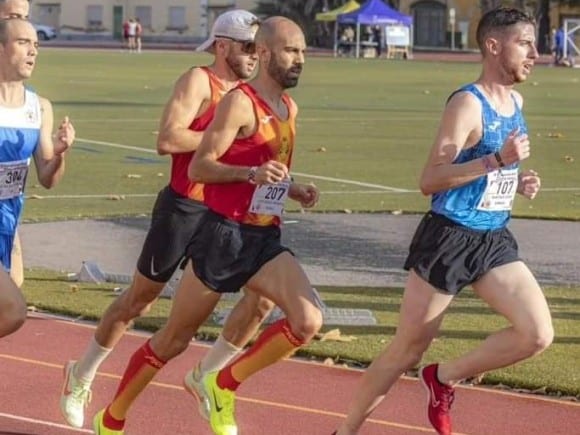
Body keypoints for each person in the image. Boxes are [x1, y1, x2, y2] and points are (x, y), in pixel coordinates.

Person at [92, 16, 322, 435]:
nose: (300, 60)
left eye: (303, 51)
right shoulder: (240, 103)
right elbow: (201, 166)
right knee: (173, 341)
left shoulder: (289, 108)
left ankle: (222, 382)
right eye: (292, 50)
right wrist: (249, 175)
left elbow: (267, 170)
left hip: (264, 239)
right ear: (266, 52)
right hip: (222, 237)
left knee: (307, 321)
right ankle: (112, 419)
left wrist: (293, 188)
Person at [333, 8, 553, 435]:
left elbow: (491, 171)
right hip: (449, 239)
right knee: (406, 351)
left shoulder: (517, 101)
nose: (536, 54)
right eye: (525, 43)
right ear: (493, 45)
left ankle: (444, 377)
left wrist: (515, 178)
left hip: (493, 238)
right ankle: (345, 431)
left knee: (537, 334)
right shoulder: (468, 103)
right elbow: (430, 179)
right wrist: (496, 160)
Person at [60, 9, 275, 430]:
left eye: (260, 48)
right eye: (248, 47)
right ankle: (81, 374)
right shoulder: (200, 81)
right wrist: (227, 136)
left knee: (263, 298)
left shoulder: (254, 93)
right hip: (186, 207)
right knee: (139, 302)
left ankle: (207, 375)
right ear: (222, 46)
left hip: (230, 213)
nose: (255, 56)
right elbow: (168, 138)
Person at [0, 17, 75, 337]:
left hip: (7, 222)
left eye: (36, 45)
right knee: (13, 310)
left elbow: (47, 177)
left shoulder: (39, 107)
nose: (33, 51)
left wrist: (59, 152)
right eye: (23, 43)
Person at [0, 0, 29, 289]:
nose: (22, 21)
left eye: (25, 16)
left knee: (13, 288)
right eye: (14, 16)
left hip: (8, 205)